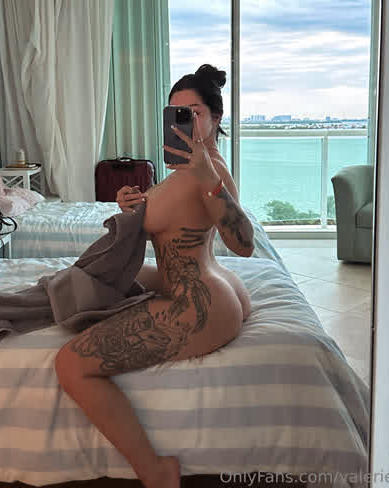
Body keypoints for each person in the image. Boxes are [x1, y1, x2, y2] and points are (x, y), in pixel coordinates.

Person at [55, 64, 255, 488]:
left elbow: (244, 244)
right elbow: (176, 214)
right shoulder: (195, 168)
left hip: (200, 305)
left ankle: (154, 470)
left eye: (193, 113)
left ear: (215, 117)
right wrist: (134, 204)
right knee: (94, 281)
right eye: (175, 113)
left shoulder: (208, 171)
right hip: (211, 283)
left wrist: (203, 180)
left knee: (70, 364)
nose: (184, 122)